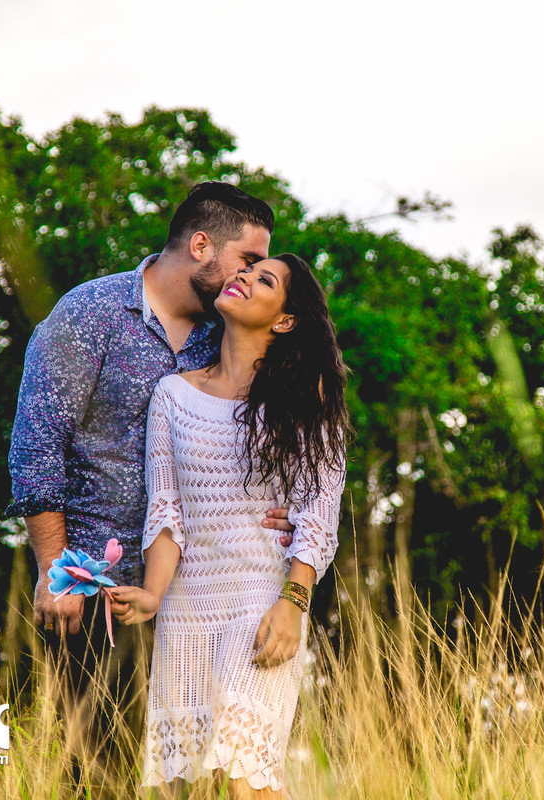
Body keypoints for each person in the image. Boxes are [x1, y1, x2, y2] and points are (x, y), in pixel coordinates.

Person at [5, 182, 295, 784]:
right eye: (246, 259)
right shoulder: (90, 313)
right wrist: (56, 571)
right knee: (101, 771)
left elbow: (290, 424)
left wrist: (289, 507)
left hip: (202, 597)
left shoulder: (231, 331)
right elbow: (36, 447)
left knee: (206, 777)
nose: (249, 276)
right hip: (99, 591)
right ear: (200, 246)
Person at [109, 252, 349, 798]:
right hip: (187, 610)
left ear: (285, 320)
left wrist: (294, 602)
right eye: (246, 270)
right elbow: (166, 510)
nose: (243, 276)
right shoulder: (172, 395)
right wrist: (152, 594)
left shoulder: (305, 397)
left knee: (244, 776)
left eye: (264, 280)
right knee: (190, 784)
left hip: (261, 600)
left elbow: (319, 508)